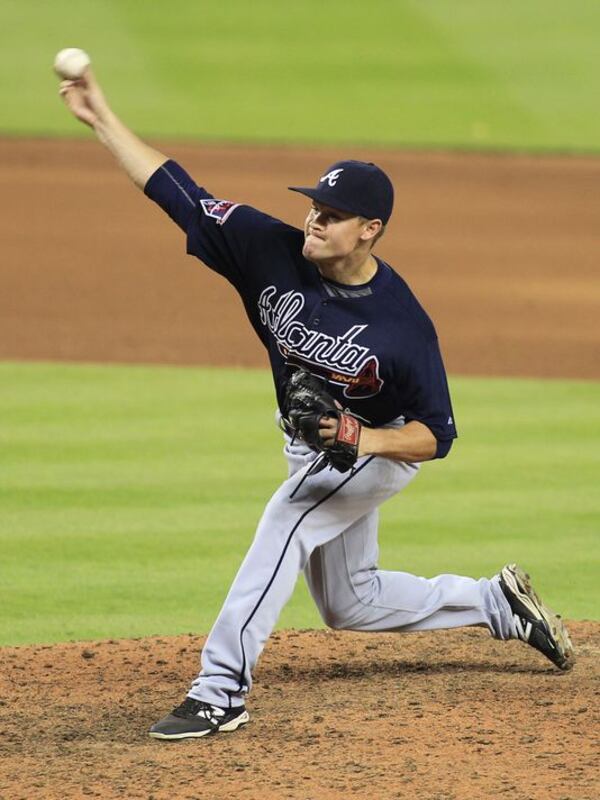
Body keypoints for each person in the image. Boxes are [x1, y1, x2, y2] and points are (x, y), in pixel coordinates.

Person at [58, 68, 575, 741]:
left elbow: (436, 435)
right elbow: (178, 193)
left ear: (370, 230)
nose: (314, 220)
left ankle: (220, 690)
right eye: (313, 206)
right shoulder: (269, 249)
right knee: (349, 602)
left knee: (290, 517)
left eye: (331, 216)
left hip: (377, 442)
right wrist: (101, 117)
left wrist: (362, 441)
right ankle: (493, 602)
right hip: (318, 442)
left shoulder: (402, 327)